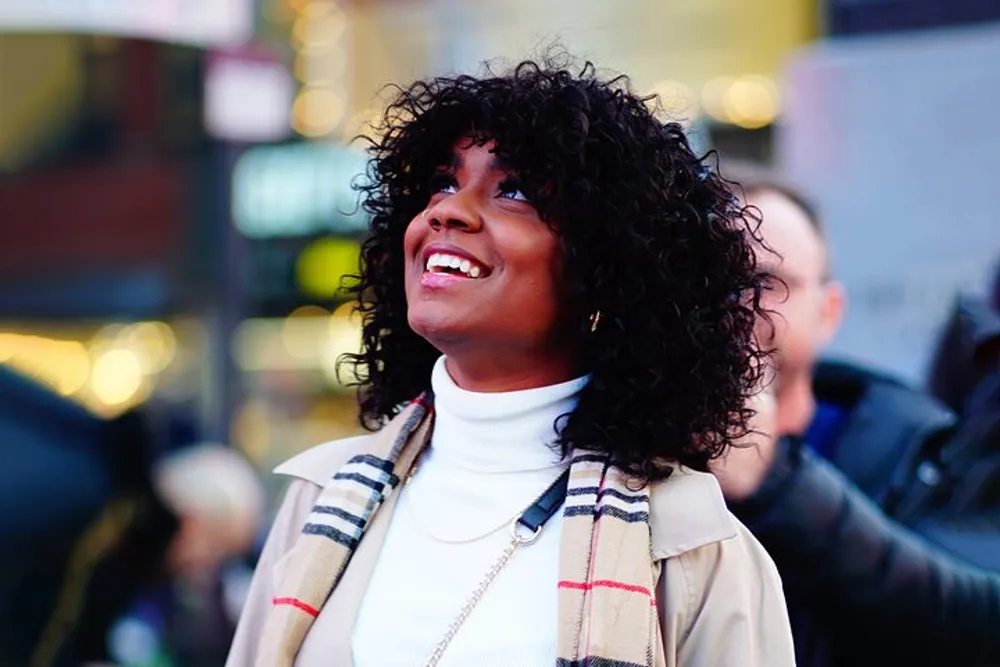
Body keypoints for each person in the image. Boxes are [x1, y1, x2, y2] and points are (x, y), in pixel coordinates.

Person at [227, 58, 794, 667]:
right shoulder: (321, 499)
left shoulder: (693, 546)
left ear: (606, 271)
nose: (447, 211)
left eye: (514, 191)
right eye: (443, 182)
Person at [711, 169, 1000, 666]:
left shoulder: (927, 455)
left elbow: (974, 626)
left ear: (829, 310)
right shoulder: (608, 446)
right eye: (707, 277)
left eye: (765, 281)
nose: (735, 305)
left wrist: (773, 477)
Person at [0, 371, 264, 667]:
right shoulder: (100, 514)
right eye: (217, 549)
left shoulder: (119, 519)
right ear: (193, 521)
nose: (205, 566)